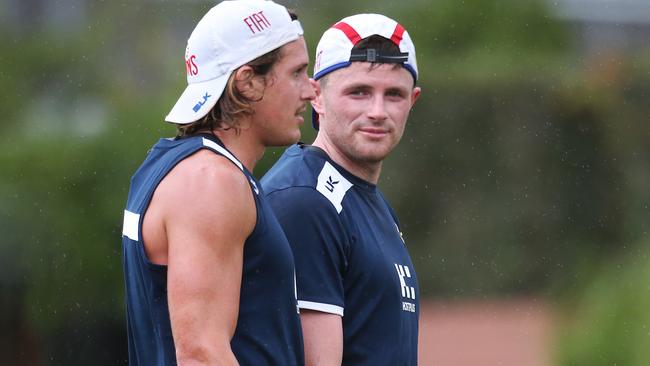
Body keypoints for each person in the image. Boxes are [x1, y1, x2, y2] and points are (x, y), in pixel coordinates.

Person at [121, 1, 315, 364]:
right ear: (246, 83)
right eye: (297, 73)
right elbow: (200, 354)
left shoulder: (174, 164)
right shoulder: (211, 182)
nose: (310, 89)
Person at [261, 13, 422, 365]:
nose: (377, 111)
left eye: (393, 94)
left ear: (413, 101)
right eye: (359, 92)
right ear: (316, 96)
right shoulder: (305, 200)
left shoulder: (365, 199)